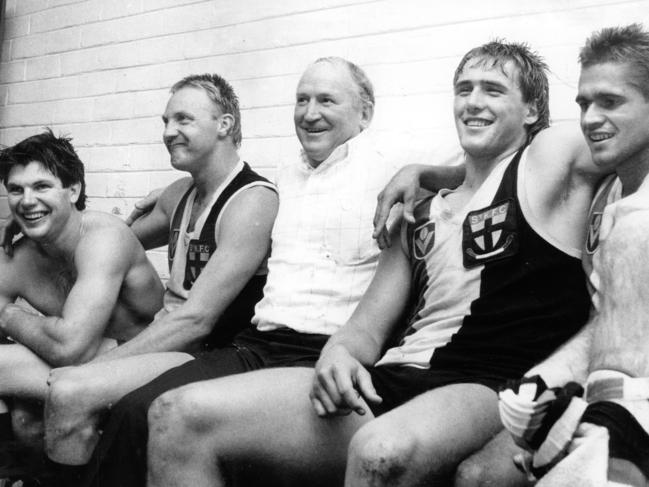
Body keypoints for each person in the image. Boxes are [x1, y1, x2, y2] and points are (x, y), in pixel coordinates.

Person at [143, 40, 607, 487]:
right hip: (396, 374)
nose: (473, 102)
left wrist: (424, 170)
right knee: (176, 414)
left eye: (493, 89)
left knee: (378, 451)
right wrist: (339, 355)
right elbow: (365, 327)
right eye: (464, 89)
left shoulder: (546, 161)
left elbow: (619, 131)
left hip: (487, 381)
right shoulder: (417, 212)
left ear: (530, 111)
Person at [72, 56, 399, 487]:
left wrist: (423, 173)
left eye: (327, 100)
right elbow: (219, 182)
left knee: (168, 413)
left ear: (366, 111)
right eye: (302, 100)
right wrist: (171, 193)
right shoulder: (288, 176)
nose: (310, 112)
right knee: (133, 409)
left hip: (320, 354)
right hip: (255, 345)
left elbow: (472, 166)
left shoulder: (393, 166)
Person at [42, 73, 278, 468]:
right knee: (53, 390)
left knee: (69, 388)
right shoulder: (176, 195)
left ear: (225, 125)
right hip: (169, 341)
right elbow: (110, 243)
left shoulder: (251, 200)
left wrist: (95, 367)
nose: (169, 132)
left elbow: (196, 321)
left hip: (211, 351)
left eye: (183, 119)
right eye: (166, 122)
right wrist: (45, 228)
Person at [492, 24, 649, 487]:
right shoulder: (609, 190)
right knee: (483, 470)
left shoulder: (638, 220)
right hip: (611, 389)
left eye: (611, 101)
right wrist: (544, 381)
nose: (590, 118)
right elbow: (611, 316)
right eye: (583, 103)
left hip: (629, 408)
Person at [0, 130, 164, 477]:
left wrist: (7, 314)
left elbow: (70, 346)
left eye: (42, 187)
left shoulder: (103, 237)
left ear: (73, 190)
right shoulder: (18, 257)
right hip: (81, 362)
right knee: (25, 420)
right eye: (16, 190)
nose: (27, 200)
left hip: (145, 359)